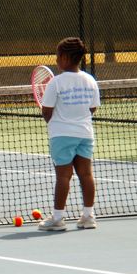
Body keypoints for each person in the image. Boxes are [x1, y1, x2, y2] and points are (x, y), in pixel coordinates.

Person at [39, 37, 100, 231]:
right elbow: (93, 108)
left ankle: (57, 218)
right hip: (85, 134)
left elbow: (46, 112)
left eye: (57, 56)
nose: (56, 60)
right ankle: (88, 216)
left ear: (65, 57)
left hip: (61, 136)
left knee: (63, 176)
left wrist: (57, 122)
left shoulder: (56, 83)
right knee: (86, 174)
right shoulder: (90, 80)